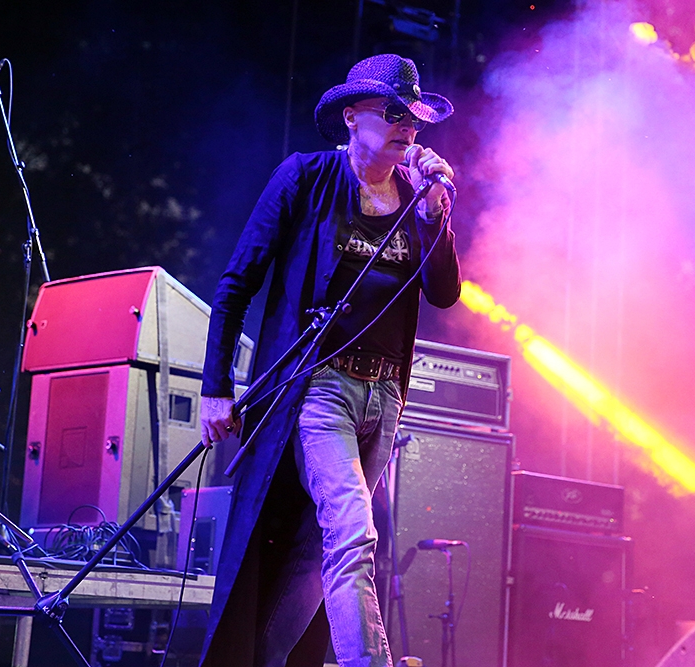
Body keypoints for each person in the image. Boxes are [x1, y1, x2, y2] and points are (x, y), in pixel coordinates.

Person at [198, 54, 461, 667]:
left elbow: (444, 292)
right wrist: (217, 386)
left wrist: (435, 218)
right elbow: (236, 283)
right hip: (321, 389)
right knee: (353, 532)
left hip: (385, 397)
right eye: (392, 112)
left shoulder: (416, 201)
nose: (407, 126)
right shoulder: (306, 177)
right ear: (351, 116)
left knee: (320, 551)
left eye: (414, 118)